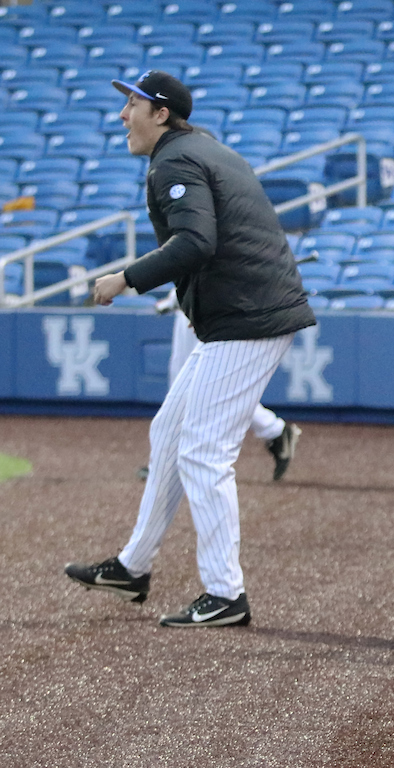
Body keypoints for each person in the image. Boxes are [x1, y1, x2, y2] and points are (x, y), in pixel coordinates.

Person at [65, 70, 315, 627]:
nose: (122, 114)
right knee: (170, 433)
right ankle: (132, 567)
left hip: (245, 317)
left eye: (132, 103)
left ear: (161, 113)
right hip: (241, 313)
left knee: (203, 451)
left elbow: (197, 241)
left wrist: (125, 277)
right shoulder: (202, 149)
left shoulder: (175, 160)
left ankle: (226, 593)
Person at [164, 289, 302, 481]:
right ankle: (275, 430)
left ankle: (169, 464)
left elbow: (196, 264)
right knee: (192, 387)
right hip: (197, 304)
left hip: (208, 306)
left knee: (203, 387)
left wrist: (174, 298)